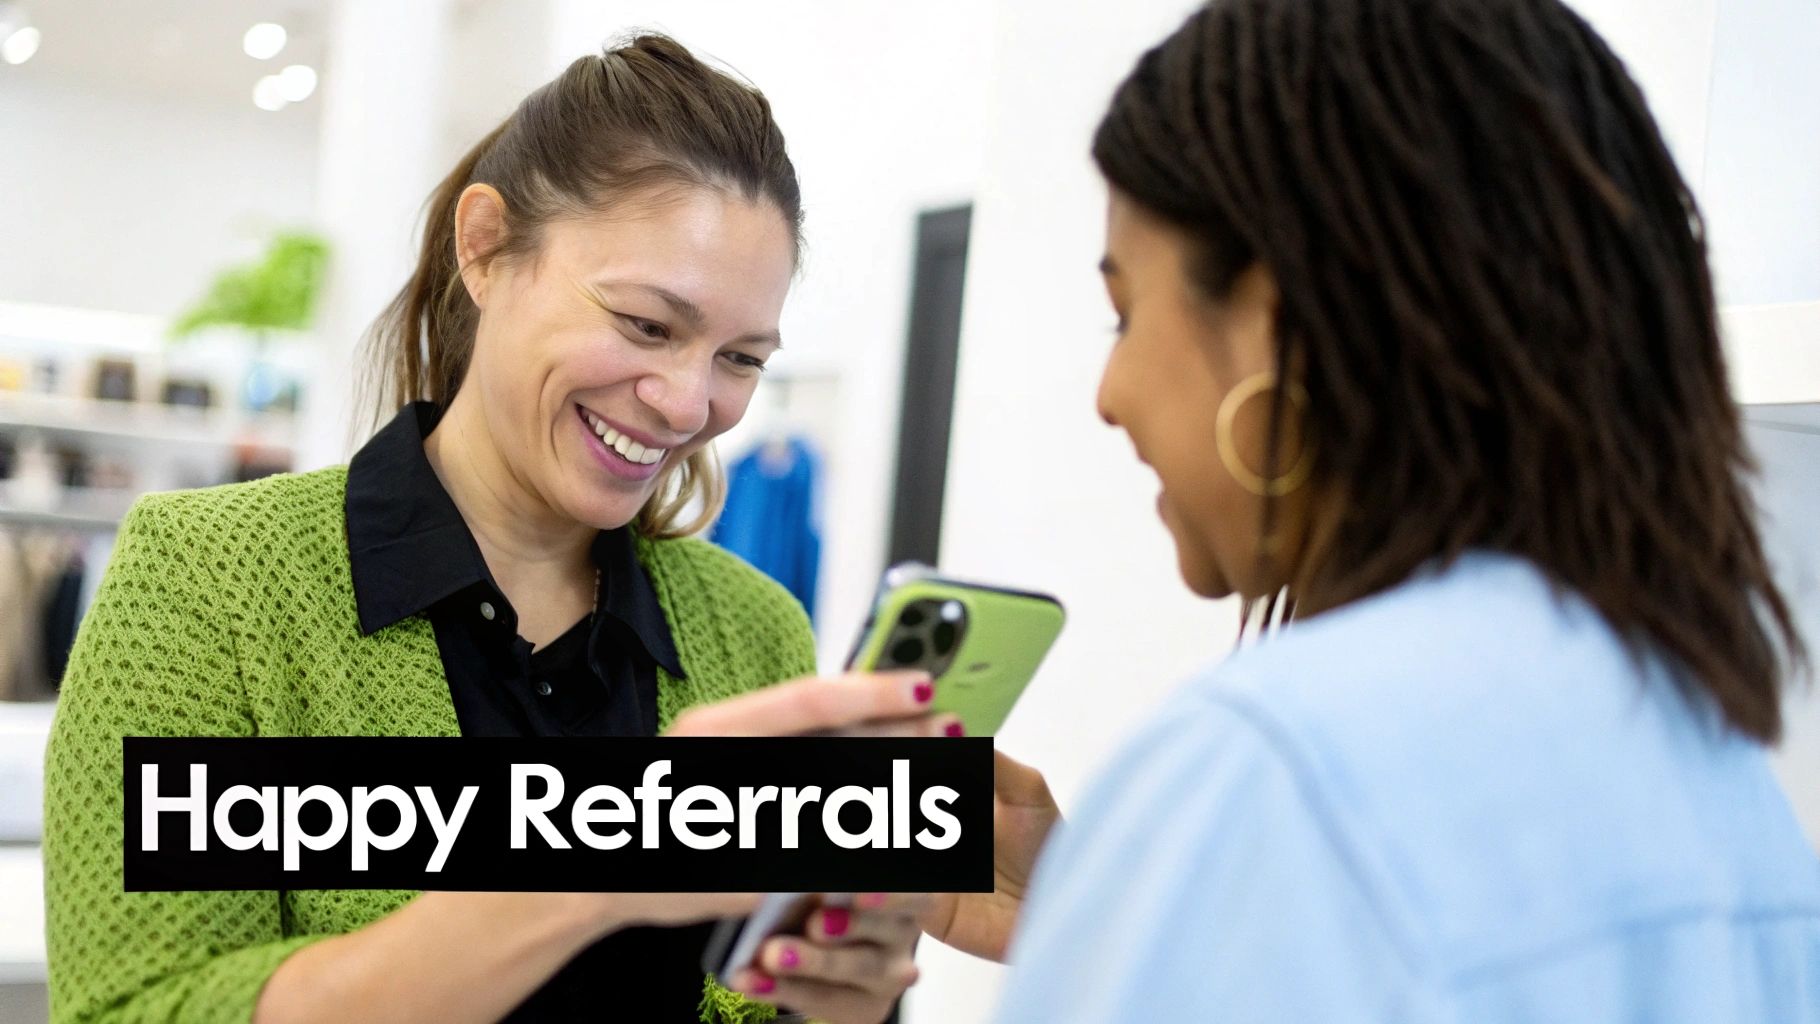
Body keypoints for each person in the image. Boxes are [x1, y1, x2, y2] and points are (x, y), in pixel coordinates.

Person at [916, 0, 1820, 1020]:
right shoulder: (1729, 788)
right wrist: (1117, 920)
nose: (1107, 393)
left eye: (1123, 314)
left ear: (1273, 319)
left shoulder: (1264, 773)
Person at [43, 35, 948, 1024]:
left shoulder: (755, 633)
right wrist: (590, 871)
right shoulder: (210, 580)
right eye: (646, 325)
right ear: (485, 248)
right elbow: (131, 1008)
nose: (690, 403)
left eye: (740, 358)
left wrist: (841, 1000)